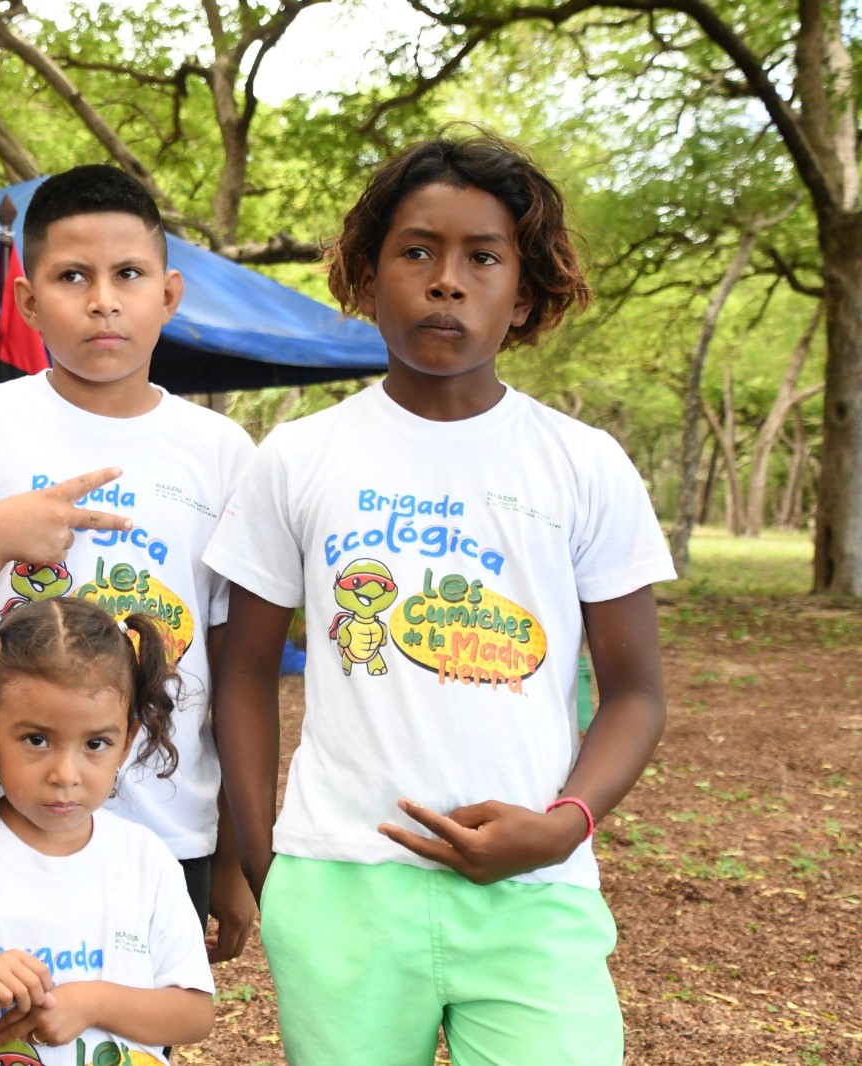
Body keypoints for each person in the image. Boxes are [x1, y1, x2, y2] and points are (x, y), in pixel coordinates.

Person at [205, 131, 675, 1065]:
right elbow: (244, 673)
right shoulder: (300, 456)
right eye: (416, 251)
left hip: (536, 890)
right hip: (339, 889)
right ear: (367, 278)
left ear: (524, 289)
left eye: (482, 257)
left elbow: (636, 695)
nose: (446, 281)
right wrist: (266, 858)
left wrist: (559, 829)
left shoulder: (583, 464)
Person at [0, 164, 259, 963]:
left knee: (127, 1037)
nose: (103, 299)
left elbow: (239, 668)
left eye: (128, 275)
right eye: (73, 277)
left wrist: (235, 857)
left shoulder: (220, 453)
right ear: (29, 302)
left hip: (169, 826)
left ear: (168, 295)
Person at [0, 598, 215, 1065]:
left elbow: (194, 1014)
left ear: (126, 740)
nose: (65, 773)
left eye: (96, 743)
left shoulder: (146, 861)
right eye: (37, 739)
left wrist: (94, 1003)